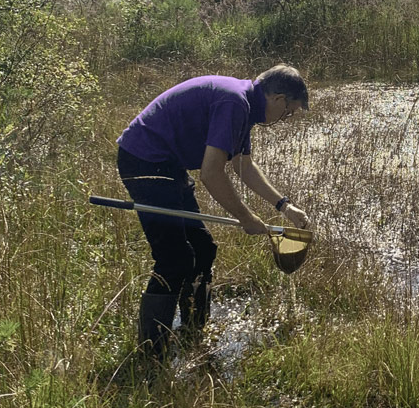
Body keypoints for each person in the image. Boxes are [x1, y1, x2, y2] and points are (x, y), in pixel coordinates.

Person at [115, 64, 310, 362]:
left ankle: (194, 328)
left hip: (168, 165)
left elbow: (243, 165)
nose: (284, 119)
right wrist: (246, 217)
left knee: (203, 248)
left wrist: (283, 205)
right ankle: (150, 354)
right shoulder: (234, 102)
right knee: (175, 258)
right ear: (278, 98)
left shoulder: (245, 104)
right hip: (144, 161)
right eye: (288, 112)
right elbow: (211, 172)